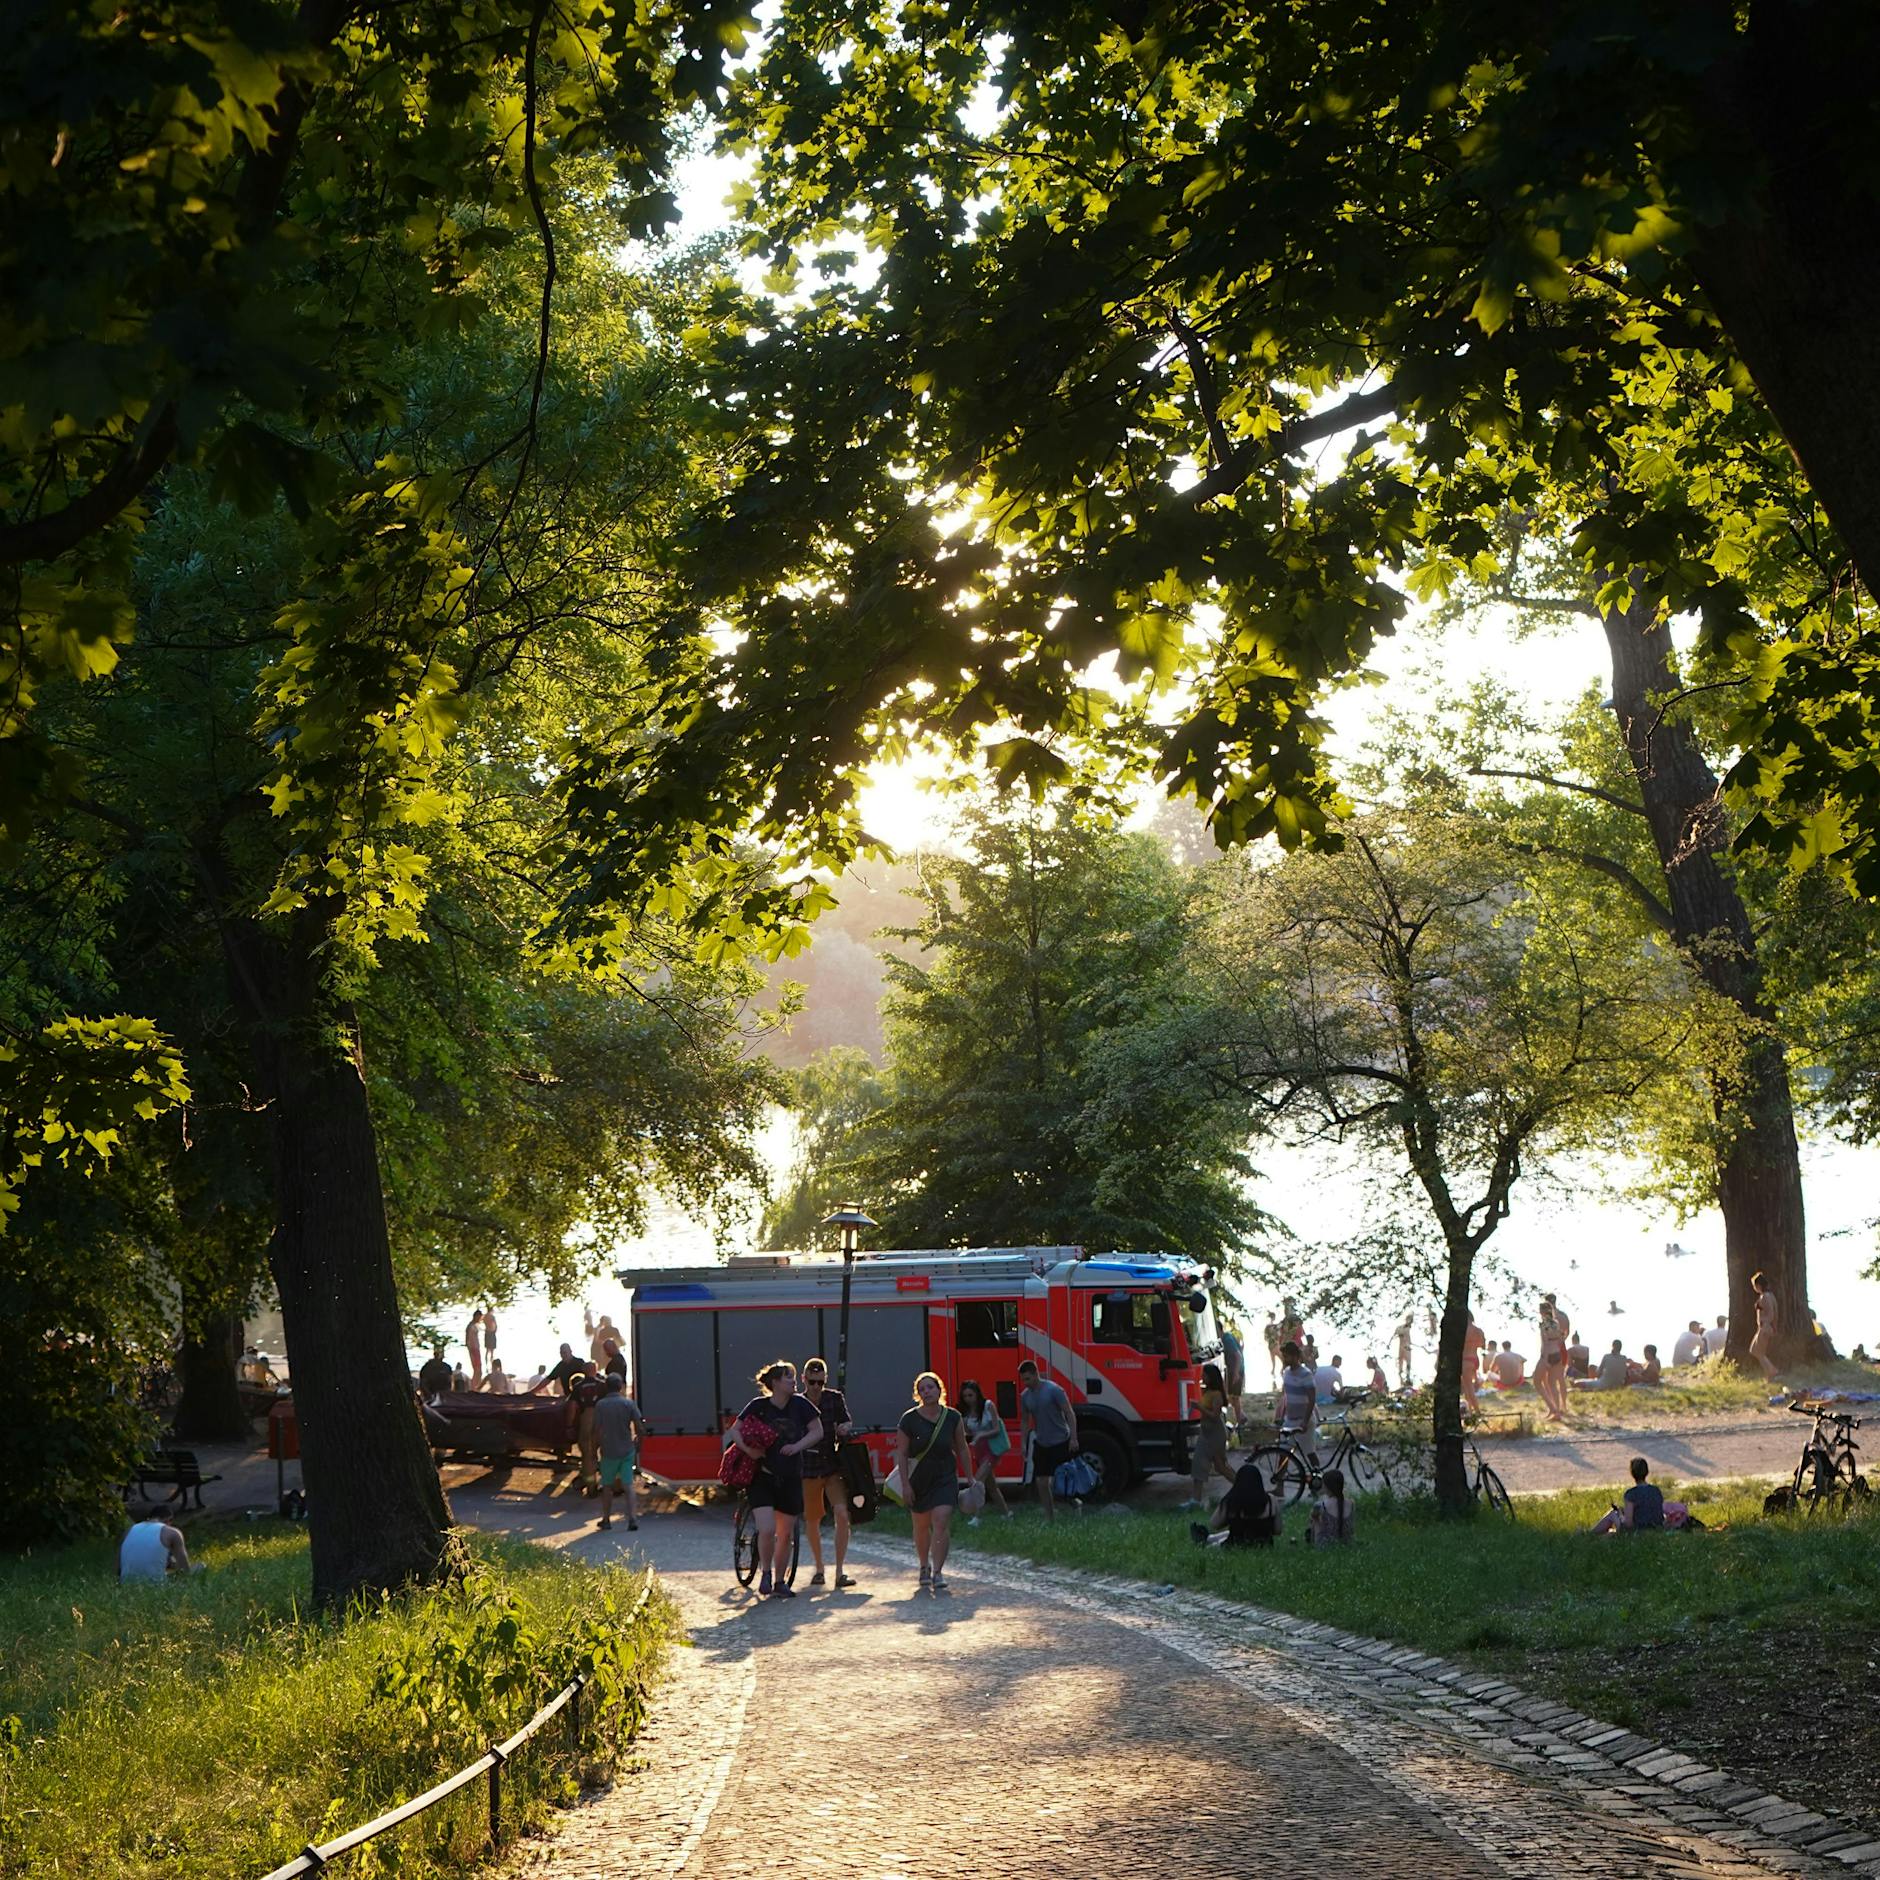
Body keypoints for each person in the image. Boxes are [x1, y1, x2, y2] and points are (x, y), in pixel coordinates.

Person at [727, 1360, 822, 1598]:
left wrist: (797, 1446)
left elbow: (817, 1431)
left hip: (790, 1476)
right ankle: (766, 1573)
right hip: (762, 1476)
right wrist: (749, 1452)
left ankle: (780, 1582)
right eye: (788, 1377)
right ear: (776, 1382)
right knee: (767, 1529)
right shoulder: (758, 1406)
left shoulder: (801, 1405)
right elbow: (735, 1430)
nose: (793, 1381)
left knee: (786, 1534)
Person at [896, 1371, 974, 1593]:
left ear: (939, 1390)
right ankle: (924, 1566)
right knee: (921, 1525)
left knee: (940, 1520)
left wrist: (970, 1478)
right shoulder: (909, 1419)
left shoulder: (952, 1417)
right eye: (922, 1389)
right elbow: (901, 1454)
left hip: (945, 1476)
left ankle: (938, 1571)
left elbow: (961, 1448)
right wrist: (905, 1485)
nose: (927, 1392)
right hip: (919, 1479)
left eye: (930, 1387)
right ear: (917, 1394)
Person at [799, 1357, 857, 1588]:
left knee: (842, 1513)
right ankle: (819, 1567)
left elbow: (847, 1420)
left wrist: (845, 1427)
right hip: (808, 1466)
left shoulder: (834, 1398)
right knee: (812, 1519)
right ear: (804, 1379)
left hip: (831, 1463)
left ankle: (840, 1571)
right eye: (812, 1382)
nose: (815, 1387)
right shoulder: (797, 1403)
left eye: (820, 1383)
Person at [1017, 1358, 1080, 1520]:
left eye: (1028, 1379)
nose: (1026, 1383)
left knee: (1063, 1481)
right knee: (1041, 1482)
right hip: (1042, 1442)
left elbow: (1069, 1413)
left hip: (1061, 1440)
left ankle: (1074, 1504)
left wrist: (1073, 1437)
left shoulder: (1054, 1390)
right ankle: (1049, 1515)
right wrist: (1023, 1442)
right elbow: (1025, 1420)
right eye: (1023, 1380)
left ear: (1036, 1374)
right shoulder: (1025, 1396)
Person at [593, 1375, 645, 1532]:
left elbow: (597, 1429)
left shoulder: (601, 1405)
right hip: (626, 1450)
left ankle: (606, 1519)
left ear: (606, 1387)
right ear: (620, 1387)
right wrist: (638, 1442)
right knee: (628, 1485)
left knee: (607, 1486)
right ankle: (632, 1519)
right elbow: (639, 1425)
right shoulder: (628, 1403)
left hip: (608, 1451)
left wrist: (595, 1447)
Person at [1192, 1457, 1281, 1548]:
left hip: (1236, 1544)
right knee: (1238, 1535)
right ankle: (1209, 1538)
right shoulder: (1271, 1501)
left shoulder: (1232, 1501)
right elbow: (1278, 1530)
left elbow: (1214, 1524)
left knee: (1211, 1547)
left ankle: (1206, 1539)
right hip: (1264, 1545)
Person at [958, 1379, 1011, 1520]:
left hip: (992, 1449)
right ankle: (1006, 1514)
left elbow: (996, 1429)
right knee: (991, 1486)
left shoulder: (988, 1406)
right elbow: (969, 1433)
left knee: (977, 1482)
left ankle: (976, 1517)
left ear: (977, 1394)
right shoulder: (966, 1413)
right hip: (979, 1451)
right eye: (965, 1396)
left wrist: (981, 1435)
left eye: (971, 1395)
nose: (968, 1399)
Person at [1189, 1361, 1236, 1504]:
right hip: (1206, 1432)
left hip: (1215, 1433)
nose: (1202, 1376)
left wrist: (1199, 1408)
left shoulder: (1216, 1395)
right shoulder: (1207, 1392)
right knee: (1199, 1463)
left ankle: (1242, 1485)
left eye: (1205, 1374)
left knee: (1220, 1466)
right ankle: (1196, 1499)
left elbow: (1215, 1416)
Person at [1593, 1456, 1666, 1535]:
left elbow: (1629, 1523)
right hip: (1655, 1528)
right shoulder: (1656, 1491)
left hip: (1637, 1531)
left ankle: (1591, 1533)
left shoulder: (1631, 1494)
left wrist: (1620, 1515)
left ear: (1632, 1473)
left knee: (1613, 1513)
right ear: (1647, 1472)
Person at [119, 1512, 195, 1580]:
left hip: (126, 1583)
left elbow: (118, 1569)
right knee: (200, 1566)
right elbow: (185, 1571)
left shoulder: (128, 1531)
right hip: (156, 1585)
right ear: (169, 1519)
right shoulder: (172, 1532)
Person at [1275, 1339, 1317, 1457]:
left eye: (1286, 1356)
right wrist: (1281, 1416)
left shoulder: (1306, 1374)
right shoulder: (1286, 1373)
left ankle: (1317, 1473)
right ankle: (1281, 1475)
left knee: (1310, 1454)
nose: (1284, 1359)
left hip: (1303, 1420)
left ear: (1295, 1356)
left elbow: (1312, 1399)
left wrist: (1305, 1421)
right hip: (1289, 1420)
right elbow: (1286, 1397)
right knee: (1283, 1453)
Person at [1535, 1297, 1567, 1422]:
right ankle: (1556, 1410)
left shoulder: (1544, 1325)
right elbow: (1560, 1339)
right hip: (1557, 1354)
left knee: (1537, 1381)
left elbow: (1545, 1343)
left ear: (1542, 1312)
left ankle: (1552, 1408)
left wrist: (1545, 1359)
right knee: (1552, 1384)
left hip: (1547, 1355)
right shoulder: (1556, 1323)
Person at [1308, 1466, 1355, 1545]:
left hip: (1326, 1543)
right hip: (1346, 1542)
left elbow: (1313, 1518)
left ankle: (1313, 1542)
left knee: (1314, 1519)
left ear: (1326, 1486)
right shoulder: (1351, 1503)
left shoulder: (1320, 1505)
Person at [1749, 1271, 1779, 1379]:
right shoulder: (1769, 1296)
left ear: (1758, 1285)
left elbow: (1771, 1313)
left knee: (1757, 1351)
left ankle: (1772, 1371)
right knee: (1756, 1350)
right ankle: (1770, 1372)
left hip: (1765, 1328)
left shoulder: (1765, 1296)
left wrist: (1763, 1322)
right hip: (1765, 1327)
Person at [1461, 1312, 1486, 1412]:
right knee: (1468, 1387)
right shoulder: (1478, 1330)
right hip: (1475, 1358)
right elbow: (1483, 1345)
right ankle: (1470, 1410)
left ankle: (1477, 1411)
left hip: (1466, 1359)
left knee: (1469, 1387)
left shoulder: (1463, 1330)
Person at [465, 1307, 485, 1387]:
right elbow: (467, 1340)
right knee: (477, 1369)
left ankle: (476, 1386)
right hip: (474, 1349)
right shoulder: (471, 1326)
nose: (480, 1319)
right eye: (480, 1317)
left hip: (476, 1348)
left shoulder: (474, 1325)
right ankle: (473, 1386)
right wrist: (470, 1351)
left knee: (478, 1369)